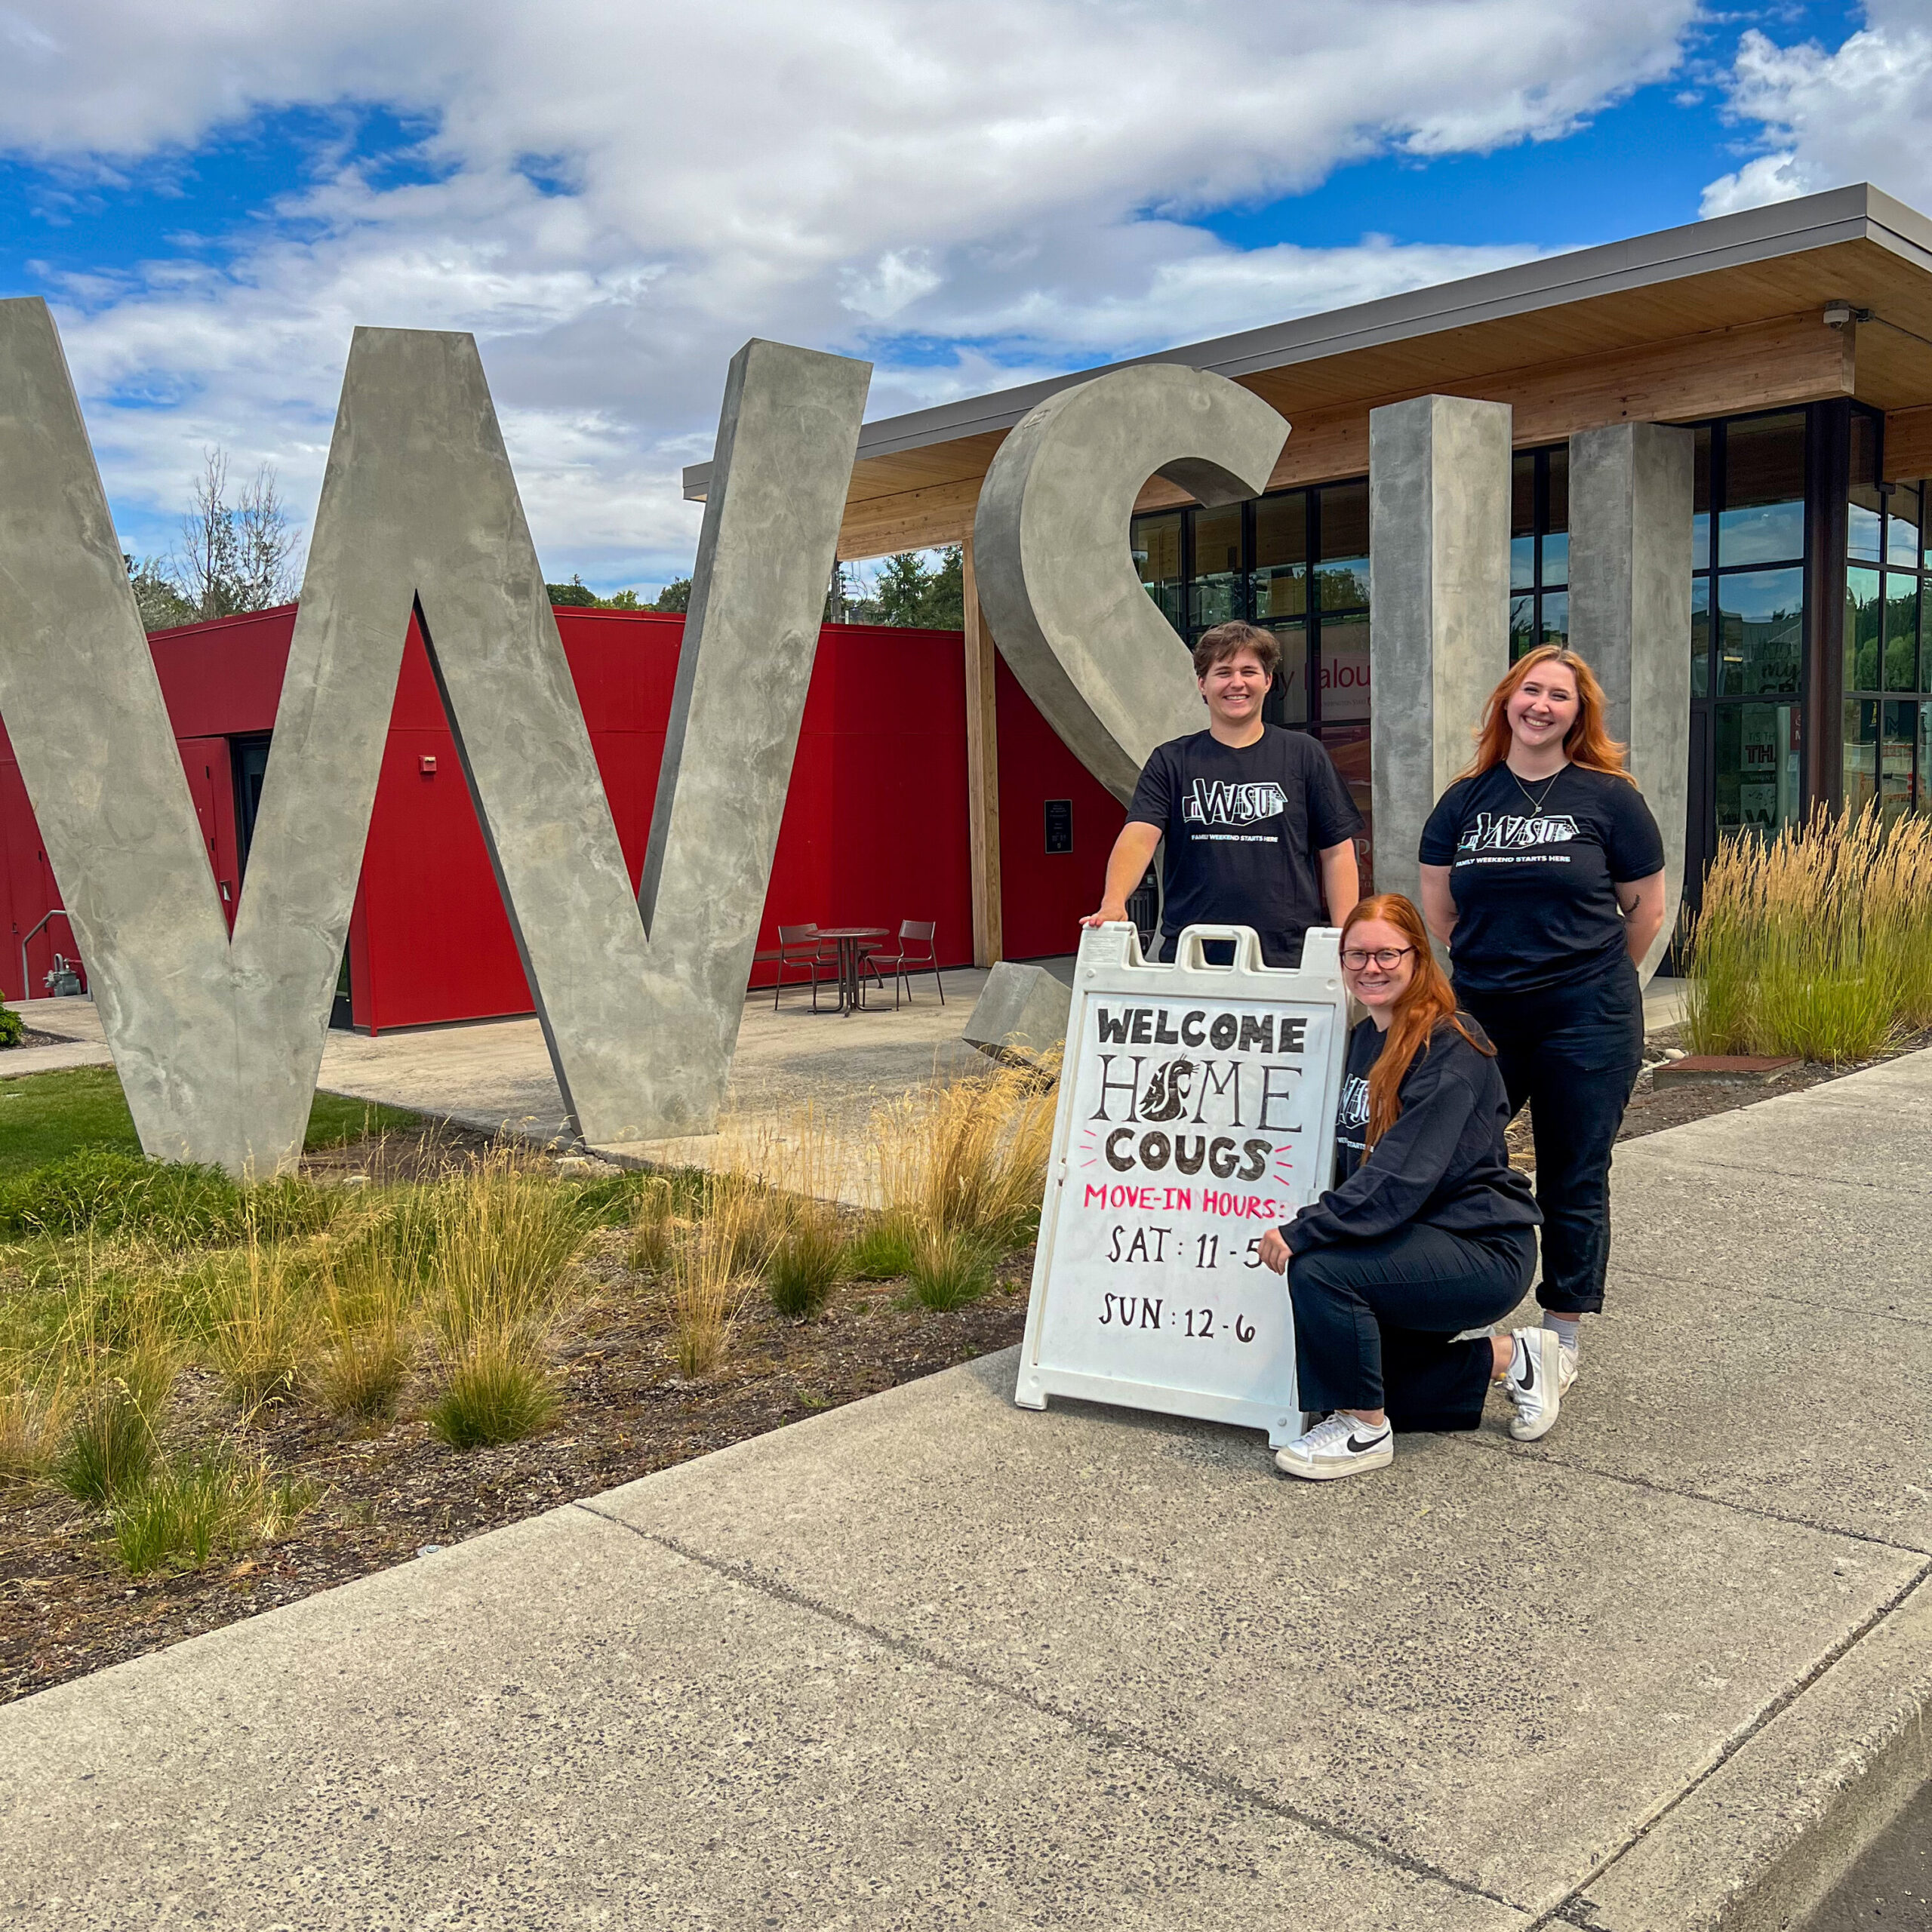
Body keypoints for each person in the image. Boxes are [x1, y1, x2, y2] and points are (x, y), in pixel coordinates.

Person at [1416, 645, 1666, 1387]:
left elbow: (1644, 911)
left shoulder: (1609, 796)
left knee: (1573, 1175)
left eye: (1560, 696)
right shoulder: (1464, 799)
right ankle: (1456, 1299)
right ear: (1506, 701)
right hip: (1484, 1016)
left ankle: (1559, 1339)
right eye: (1532, 690)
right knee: (1455, 1159)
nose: (1542, 705)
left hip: (1587, 1019)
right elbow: (1439, 909)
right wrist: (1500, 961)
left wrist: (1579, 967)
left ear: (1577, 713)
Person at [1258, 894, 1559, 1480]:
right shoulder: (1363, 1040)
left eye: (1387, 954)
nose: (1371, 967)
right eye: (1357, 955)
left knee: (1321, 1270)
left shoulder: (1452, 1044)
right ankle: (1512, 1357)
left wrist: (1306, 1230)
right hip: (1411, 1238)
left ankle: (1366, 1432)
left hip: (1479, 1246)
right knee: (1337, 1376)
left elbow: (1402, 1175)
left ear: (1418, 957)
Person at [1081, 620, 1360, 967]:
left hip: (1286, 958)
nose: (1237, 683)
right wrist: (1113, 902)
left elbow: (1337, 851)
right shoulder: (1172, 760)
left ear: (1268, 681)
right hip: (1190, 956)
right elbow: (1139, 837)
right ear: (1202, 684)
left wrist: (1348, 935)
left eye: (1249, 671)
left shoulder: (1304, 755)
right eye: (1223, 672)